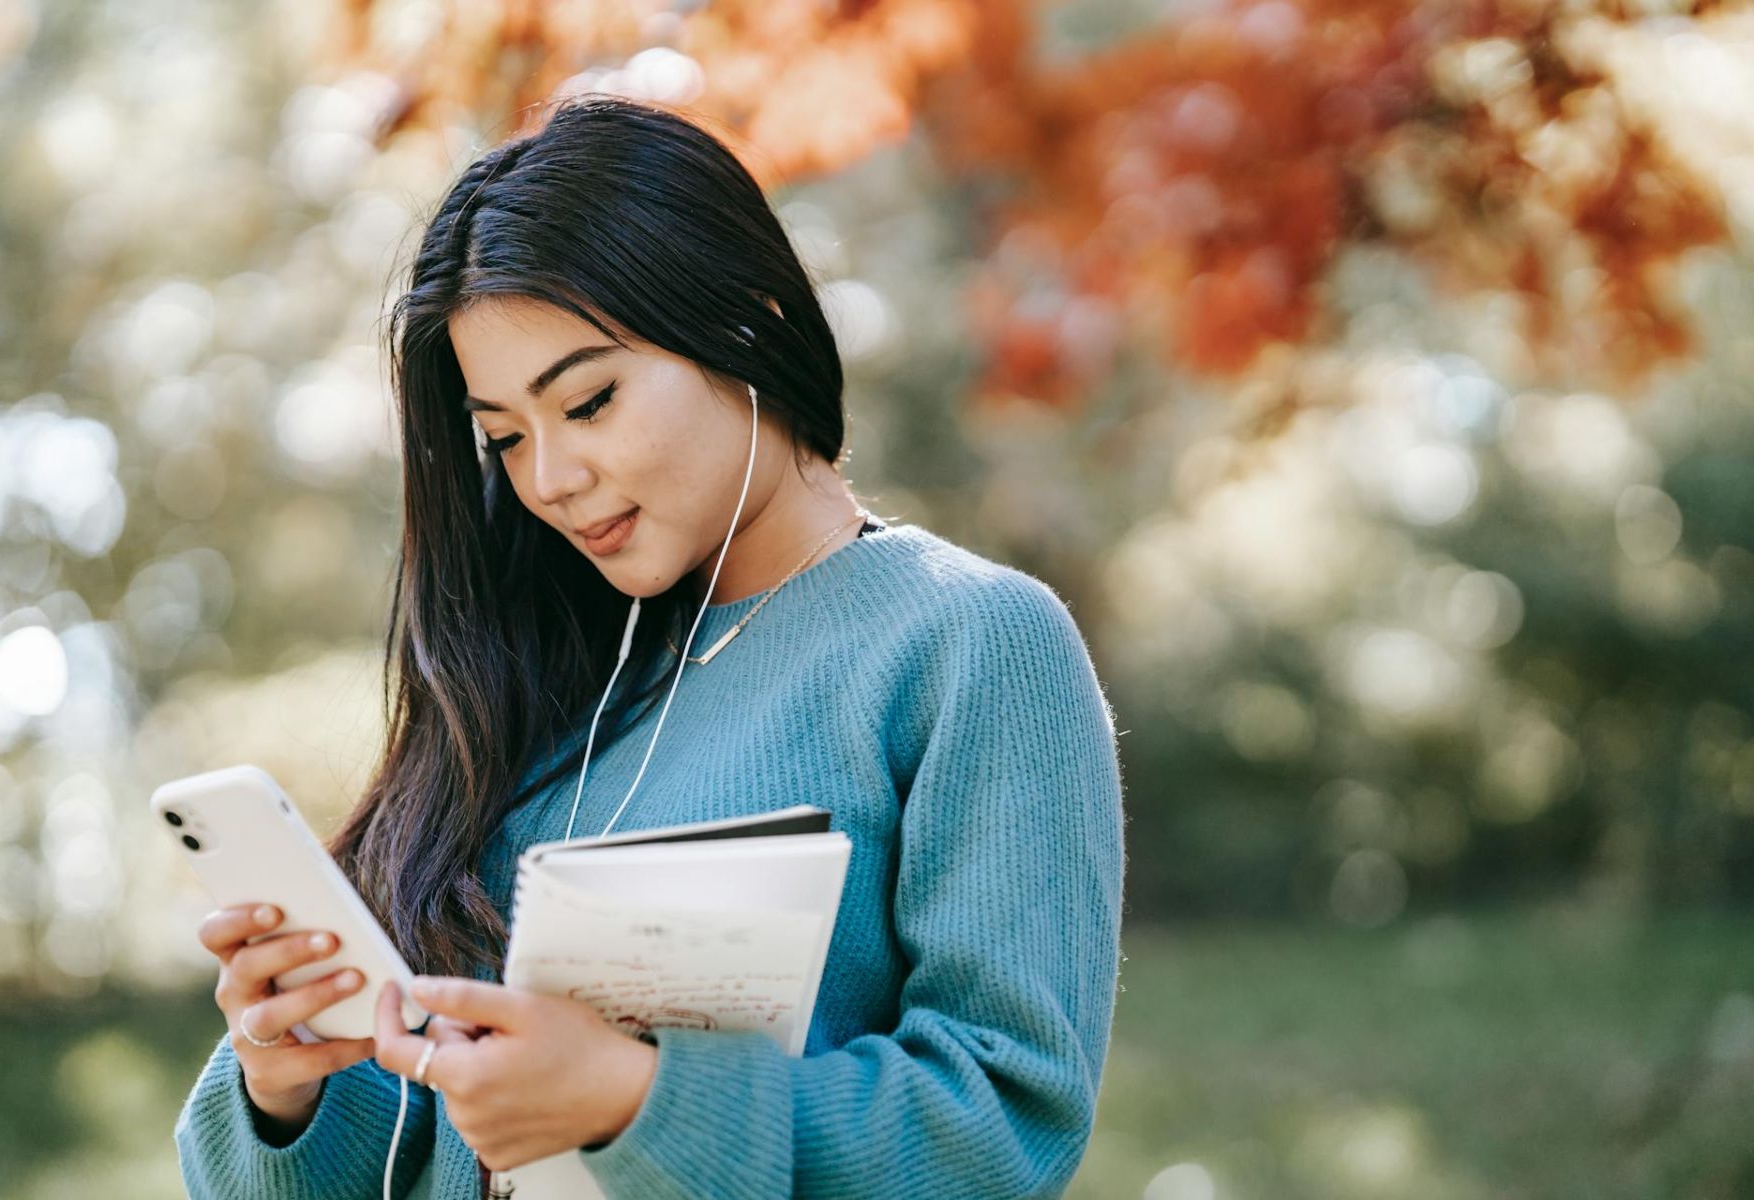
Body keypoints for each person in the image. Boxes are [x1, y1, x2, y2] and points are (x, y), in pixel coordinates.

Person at [172, 92, 1125, 1199]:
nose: (549, 480)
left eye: (590, 400)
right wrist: (286, 1084)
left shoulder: (968, 645)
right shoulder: (540, 678)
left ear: (745, 316)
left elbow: (1003, 1131)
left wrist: (640, 1101)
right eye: (505, 438)